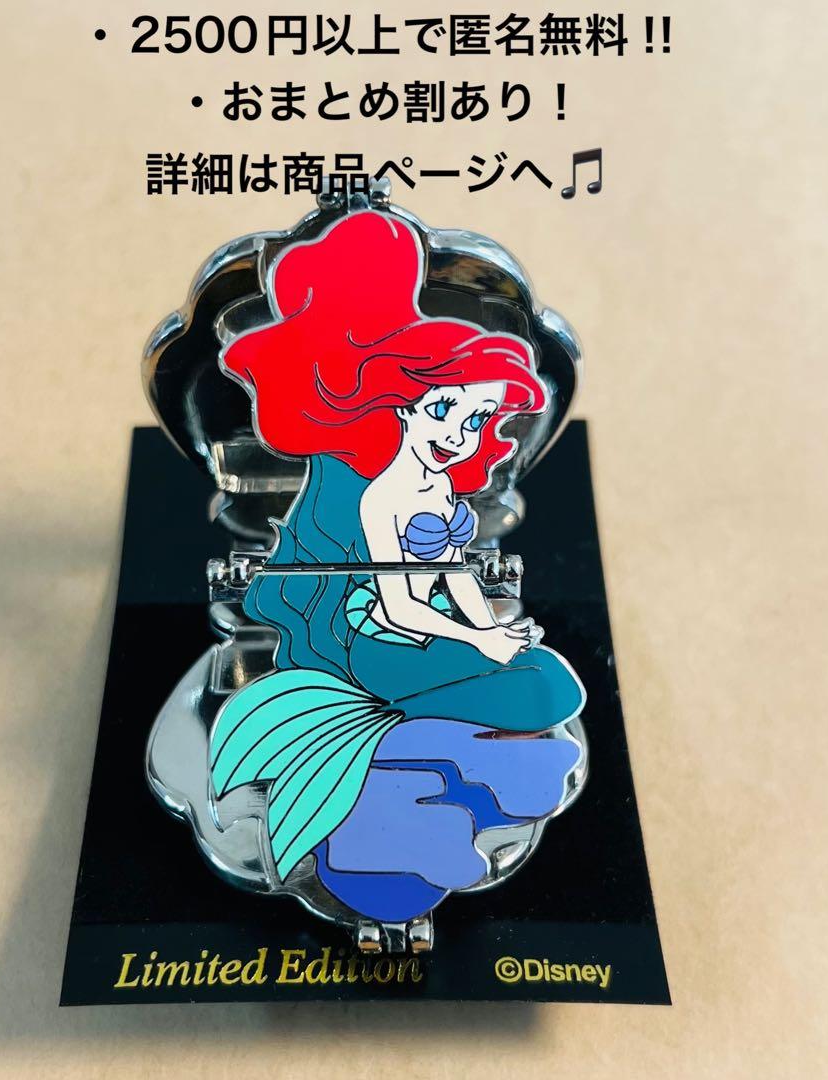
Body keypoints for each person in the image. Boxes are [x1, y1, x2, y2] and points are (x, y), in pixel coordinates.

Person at [208, 211, 586, 923]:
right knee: (525, 692)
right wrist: (476, 641)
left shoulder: (440, 489)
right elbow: (401, 603)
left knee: (547, 679)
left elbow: (454, 576)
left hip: (435, 632)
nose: (459, 435)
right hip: (377, 644)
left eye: (476, 420)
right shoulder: (380, 497)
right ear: (402, 407)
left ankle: (434, 761)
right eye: (445, 411)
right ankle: (402, 783)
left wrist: (492, 632)